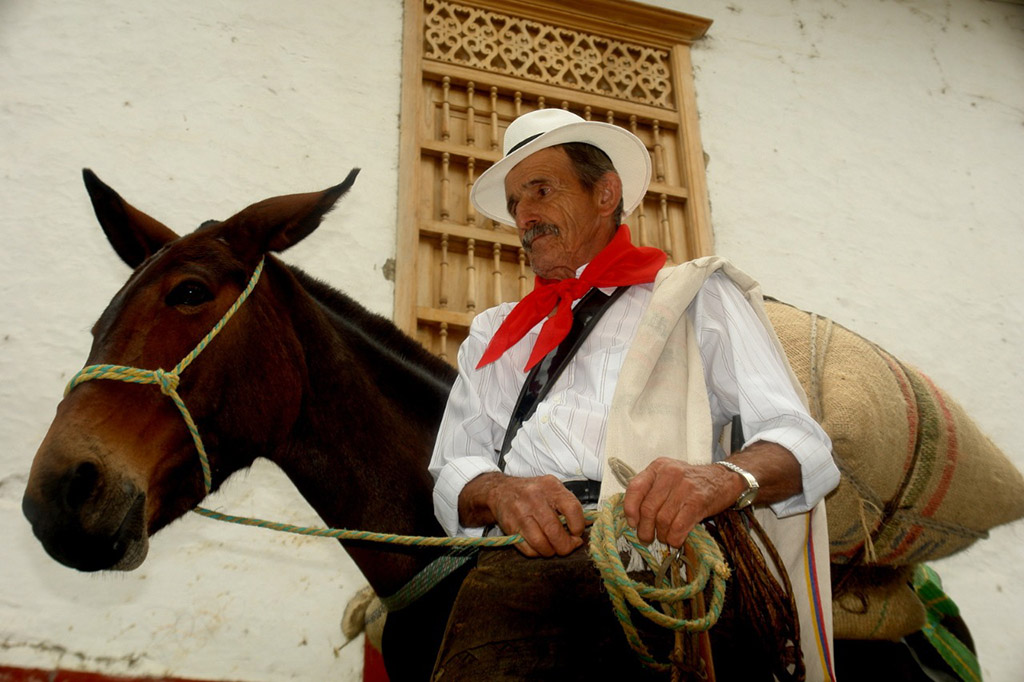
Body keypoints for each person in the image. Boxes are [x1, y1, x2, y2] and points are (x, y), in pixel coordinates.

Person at [427, 108, 841, 680]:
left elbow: (802, 443)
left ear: (606, 194)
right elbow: (453, 467)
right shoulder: (493, 333)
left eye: (541, 190)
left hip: (668, 568)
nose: (525, 215)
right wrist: (500, 492)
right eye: (517, 202)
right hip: (518, 575)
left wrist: (717, 479)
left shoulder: (696, 294)